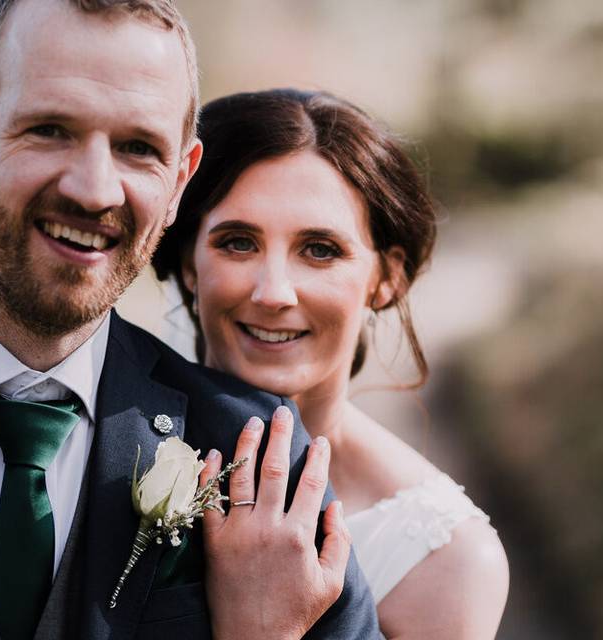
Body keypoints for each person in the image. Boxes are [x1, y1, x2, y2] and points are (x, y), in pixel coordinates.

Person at [0, 3, 381, 639]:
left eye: (138, 148)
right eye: (50, 130)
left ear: (178, 184)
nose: (94, 190)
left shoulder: (260, 466)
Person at [153, 88, 511, 639]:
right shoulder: (102, 433)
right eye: (238, 242)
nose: (274, 293)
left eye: (319, 249)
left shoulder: (446, 563)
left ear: (385, 278)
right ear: (190, 265)